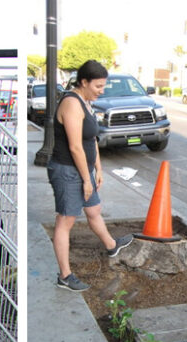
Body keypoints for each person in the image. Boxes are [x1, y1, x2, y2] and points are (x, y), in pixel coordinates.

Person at [47, 60, 133, 292]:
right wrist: (86, 179)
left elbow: (90, 139)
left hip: (84, 169)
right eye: (98, 86)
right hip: (67, 170)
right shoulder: (71, 103)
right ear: (84, 82)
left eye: (103, 86)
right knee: (65, 221)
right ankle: (65, 276)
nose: (101, 91)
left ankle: (112, 245)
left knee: (94, 209)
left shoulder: (85, 102)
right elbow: (75, 147)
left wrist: (98, 168)